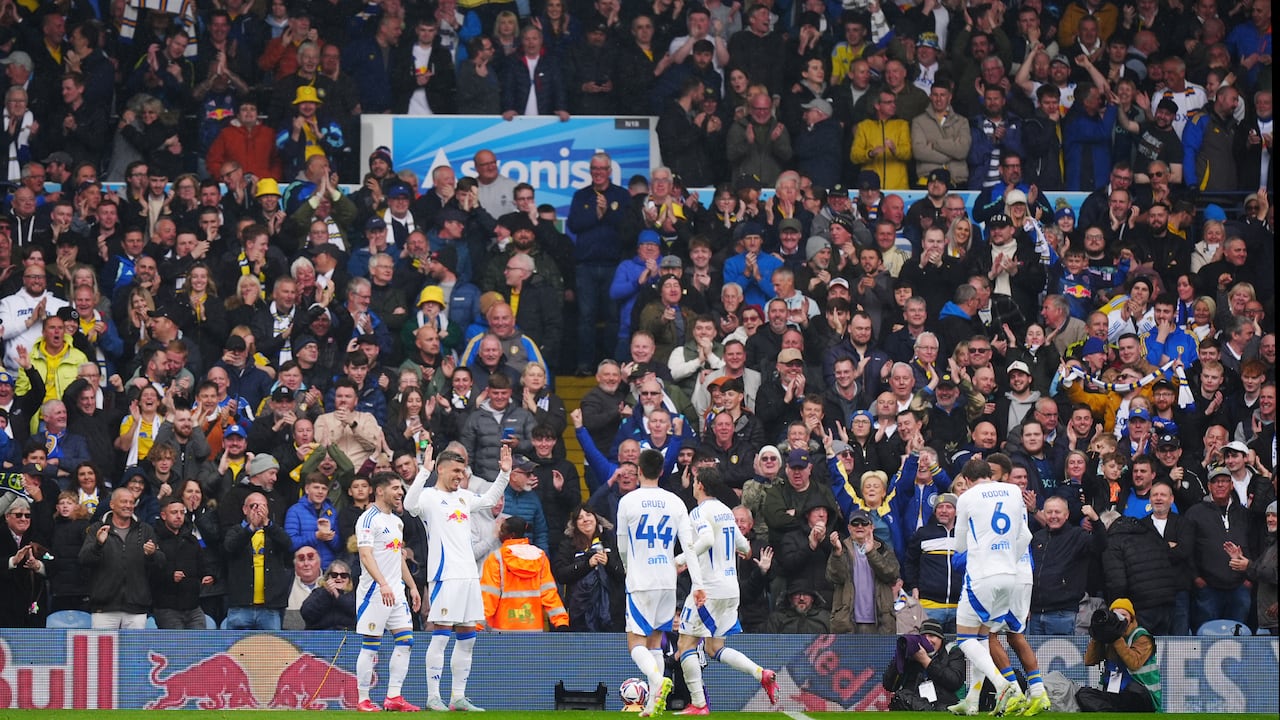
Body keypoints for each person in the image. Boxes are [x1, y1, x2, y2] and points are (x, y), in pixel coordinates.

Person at [405, 445, 512, 712]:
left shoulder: (464, 497)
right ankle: (433, 697)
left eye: (462, 471)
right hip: (445, 576)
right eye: (455, 470)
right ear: (440, 469)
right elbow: (408, 505)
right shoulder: (428, 497)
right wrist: (423, 472)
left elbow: (488, 500)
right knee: (441, 637)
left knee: (468, 637)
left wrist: (505, 474)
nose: (459, 476)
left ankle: (458, 697)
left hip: (468, 577)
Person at [674, 468, 779, 714]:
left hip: (707, 589)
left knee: (685, 644)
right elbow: (744, 545)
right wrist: (742, 551)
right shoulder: (724, 511)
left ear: (699, 485)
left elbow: (707, 540)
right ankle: (761, 674)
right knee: (713, 648)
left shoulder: (699, 511)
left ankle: (699, 704)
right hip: (731, 589)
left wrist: (680, 561)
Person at [947, 458, 1045, 717]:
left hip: (982, 576)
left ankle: (1005, 686)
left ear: (967, 480)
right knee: (983, 637)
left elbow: (959, 546)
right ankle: (973, 700)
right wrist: (1008, 558)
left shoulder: (967, 497)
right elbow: (1026, 536)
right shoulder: (1013, 491)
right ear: (990, 474)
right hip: (1010, 575)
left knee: (965, 640)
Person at [616, 448, 705, 717]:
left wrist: (630, 569)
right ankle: (655, 704)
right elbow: (689, 546)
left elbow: (622, 545)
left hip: (641, 579)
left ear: (639, 470)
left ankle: (656, 681)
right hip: (668, 580)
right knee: (655, 642)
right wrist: (697, 583)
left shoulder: (628, 501)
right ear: (662, 472)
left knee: (636, 644)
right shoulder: (675, 502)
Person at [353, 471, 423, 713]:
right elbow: (365, 555)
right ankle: (363, 698)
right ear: (380, 491)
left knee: (406, 642)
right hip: (375, 591)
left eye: (401, 489)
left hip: (396, 592)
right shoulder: (367, 519)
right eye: (395, 488)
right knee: (371, 644)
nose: (400, 493)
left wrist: (412, 586)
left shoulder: (396, 521)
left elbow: (398, 557)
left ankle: (393, 696)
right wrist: (382, 583)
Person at [78, 487, 164, 629]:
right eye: (124, 502)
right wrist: (98, 545)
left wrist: (153, 554)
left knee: (134, 651)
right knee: (103, 652)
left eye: (131, 502)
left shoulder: (145, 529)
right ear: (112, 505)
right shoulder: (97, 528)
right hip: (104, 608)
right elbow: (83, 559)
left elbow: (161, 563)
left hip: (136, 607)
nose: (129, 506)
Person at [480, 515, 568, 631]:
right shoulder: (540, 557)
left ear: (511, 535)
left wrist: (477, 625)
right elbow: (549, 593)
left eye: (502, 530)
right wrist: (561, 622)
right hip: (533, 630)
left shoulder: (497, 558)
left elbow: (489, 596)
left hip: (502, 632)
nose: (499, 533)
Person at [223, 491, 294, 630]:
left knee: (270, 650)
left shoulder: (274, 532)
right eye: (254, 506)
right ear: (245, 509)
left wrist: (267, 524)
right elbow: (230, 547)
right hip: (240, 606)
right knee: (237, 649)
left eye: (263, 507)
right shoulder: (236, 531)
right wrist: (251, 529)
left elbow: (288, 544)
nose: (258, 511)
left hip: (270, 608)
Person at [1075, 598, 1162, 712]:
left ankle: (1111, 711)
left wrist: (1116, 638)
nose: (1120, 618)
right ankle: (1111, 713)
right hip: (1115, 694)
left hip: (1140, 696)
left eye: (1124, 614)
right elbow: (1089, 661)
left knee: (1133, 691)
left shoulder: (1142, 637)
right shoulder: (1108, 636)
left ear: (1131, 618)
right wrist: (1097, 635)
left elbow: (1134, 663)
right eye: (1115, 614)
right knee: (1083, 694)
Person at [882, 619, 967, 711]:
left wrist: (926, 661)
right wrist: (900, 658)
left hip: (944, 703)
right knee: (900, 697)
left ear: (941, 638)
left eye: (932, 636)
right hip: (913, 703)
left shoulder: (952, 651)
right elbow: (889, 685)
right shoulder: (912, 653)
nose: (927, 640)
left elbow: (954, 682)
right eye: (923, 637)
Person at [301, 559, 357, 630]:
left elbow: (355, 611)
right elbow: (307, 613)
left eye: (344, 575)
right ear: (328, 577)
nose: (339, 578)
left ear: (349, 579)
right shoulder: (318, 593)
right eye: (334, 575)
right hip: (319, 635)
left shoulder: (354, 594)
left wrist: (338, 596)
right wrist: (326, 593)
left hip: (347, 635)